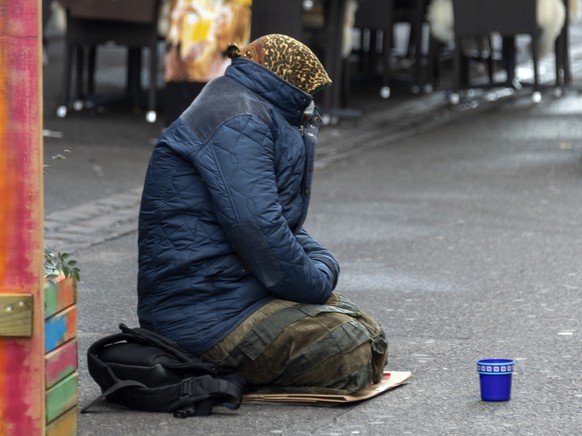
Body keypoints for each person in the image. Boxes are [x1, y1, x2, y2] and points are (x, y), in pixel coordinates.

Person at [138, 34, 388, 394]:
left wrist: (322, 262)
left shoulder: (250, 107)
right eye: (308, 87)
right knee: (352, 347)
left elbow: (269, 219)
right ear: (289, 83)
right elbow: (257, 226)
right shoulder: (239, 118)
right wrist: (316, 280)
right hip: (202, 311)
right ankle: (215, 373)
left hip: (233, 292)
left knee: (369, 332)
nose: (312, 95)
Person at [165, 0, 251, 82]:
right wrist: (176, 29)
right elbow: (173, 75)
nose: (216, 19)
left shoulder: (240, 61)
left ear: (235, 25)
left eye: (223, 16)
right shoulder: (199, 48)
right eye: (218, 15)